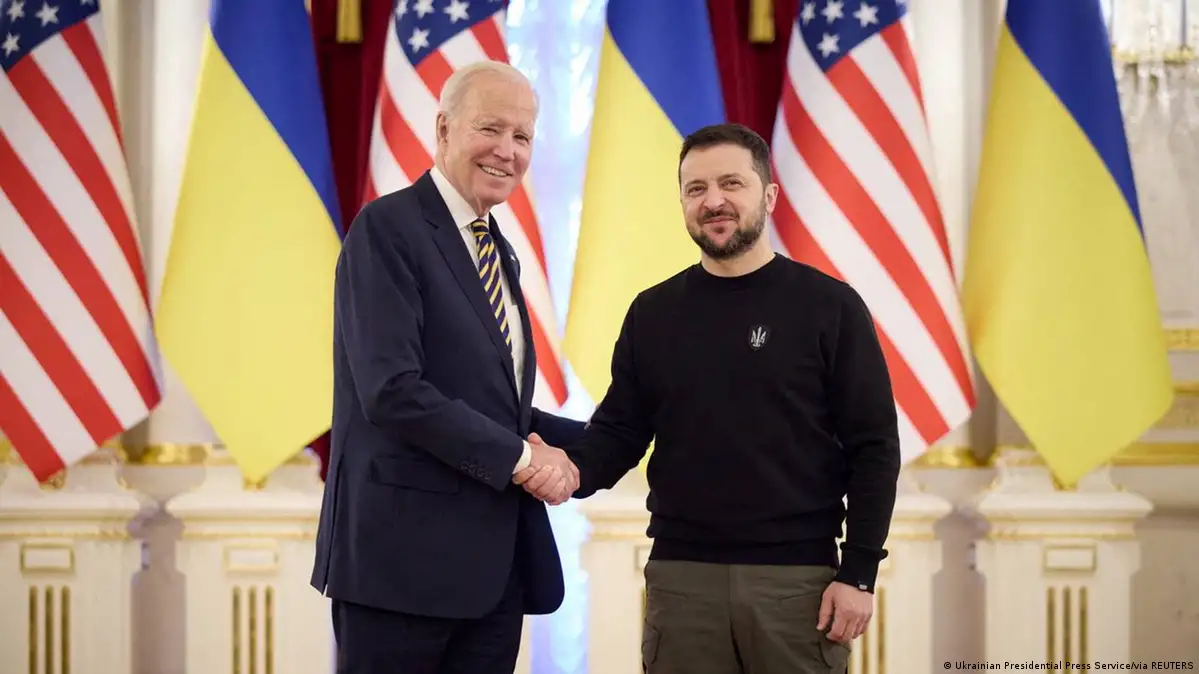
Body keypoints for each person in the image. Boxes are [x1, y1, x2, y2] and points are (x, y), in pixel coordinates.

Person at [519, 123, 902, 674]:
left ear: (768, 195)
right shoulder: (653, 313)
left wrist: (859, 573)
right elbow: (620, 433)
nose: (713, 200)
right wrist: (566, 467)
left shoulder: (830, 307)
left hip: (799, 585)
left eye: (731, 183)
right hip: (681, 582)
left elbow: (875, 448)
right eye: (695, 188)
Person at [310, 60, 586, 674]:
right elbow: (393, 390)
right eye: (491, 128)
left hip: (491, 576)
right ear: (443, 128)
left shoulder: (499, 250)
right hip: (400, 571)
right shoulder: (387, 229)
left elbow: (497, 408)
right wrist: (525, 461)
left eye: (522, 136)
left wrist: (619, 436)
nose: (508, 151)